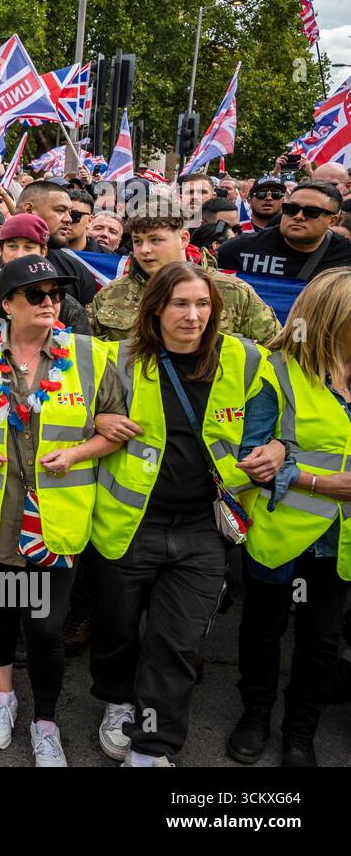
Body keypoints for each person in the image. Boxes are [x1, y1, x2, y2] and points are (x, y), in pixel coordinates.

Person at [0, 255, 125, 766]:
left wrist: (78, 453)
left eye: (55, 295)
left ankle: (45, 720)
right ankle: (3, 698)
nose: (49, 303)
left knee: (43, 628)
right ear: (8, 304)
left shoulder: (91, 355)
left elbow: (114, 428)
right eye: (36, 295)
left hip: (55, 517)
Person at [88, 263, 264, 767]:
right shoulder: (116, 358)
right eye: (180, 304)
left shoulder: (248, 360)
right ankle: (119, 702)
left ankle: (152, 747)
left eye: (203, 304)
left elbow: (279, 423)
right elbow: (64, 401)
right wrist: (95, 414)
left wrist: (275, 446)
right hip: (130, 523)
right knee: (117, 628)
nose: (193, 315)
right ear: (156, 308)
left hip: (203, 530)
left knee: (177, 642)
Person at [228, 268, 351, 767]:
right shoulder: (277, 371)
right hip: (282, 533)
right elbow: (250, 457)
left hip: (340, 542)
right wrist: (318, 483)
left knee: (322, 643)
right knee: (264, 630)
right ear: (331, 317)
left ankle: (301, 732)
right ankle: (255, 716)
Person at [89, 200, 279, 343]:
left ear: (183, 239)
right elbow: (89, 355)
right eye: (138, 241)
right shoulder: (111, 294)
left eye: (155, 240)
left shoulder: (233, 292)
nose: (144, 250)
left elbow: (274, 351)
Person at [0, 179, 99, 315]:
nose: (68, 219)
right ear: (29, 209)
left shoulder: (75, 270)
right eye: (60, 210)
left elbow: (85, 331)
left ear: (44, 251)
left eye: (55, 294)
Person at [216, 180, 351, 282]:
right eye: (291, 209)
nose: (298, 216)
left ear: (333, 220)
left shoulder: (345, 255)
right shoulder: (237, 249)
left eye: (311, 212)